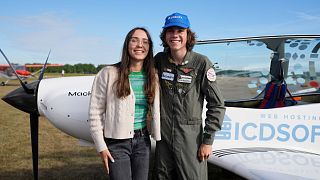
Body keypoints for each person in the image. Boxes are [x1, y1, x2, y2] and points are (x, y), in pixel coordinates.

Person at [153, 12, 226, 180]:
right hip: (163, 138)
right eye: (170, 31)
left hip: (190, 139)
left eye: (180, 30)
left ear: (188, 34)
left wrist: (207, 141)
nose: (175, 35)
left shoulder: (201, 63)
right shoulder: (160, 60)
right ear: (165, 35)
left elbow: (217, 105)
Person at [89, 27, 161, 180]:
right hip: (116, 143)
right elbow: (95, 113)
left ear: (149, 47)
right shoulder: (108, 73)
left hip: (143, 141)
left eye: (145, 42)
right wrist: (101, 147)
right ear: (127, 45)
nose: (139, 45)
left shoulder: (153, 76)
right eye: (134, 40)